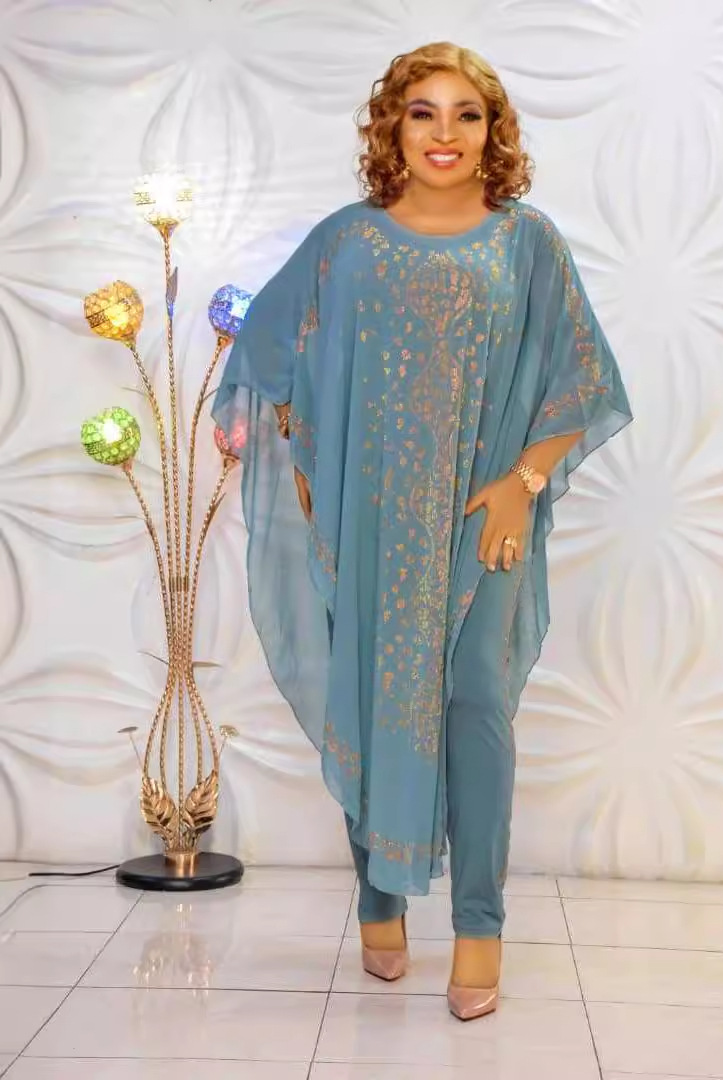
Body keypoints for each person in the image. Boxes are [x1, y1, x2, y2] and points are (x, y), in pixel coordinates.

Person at [213, 41, 632, 1021]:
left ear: (494, 132)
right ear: (391, 128)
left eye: (466, 114)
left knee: (475, 697)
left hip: (484, 515)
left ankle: (480, 925)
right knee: (375, 695)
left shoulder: (527, 243)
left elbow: (583, 377)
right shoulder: (347, 241)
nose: (445, 133)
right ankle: (379, 897)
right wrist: (309, 463)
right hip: (371, 518)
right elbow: (269, 351)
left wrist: (524, 483)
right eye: (422, 112)